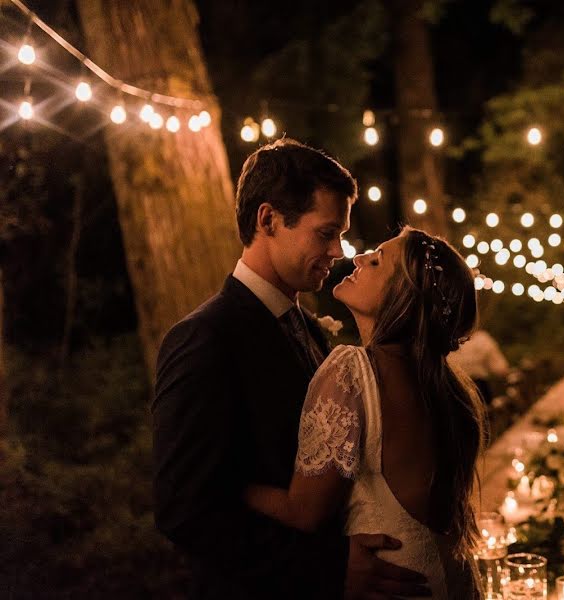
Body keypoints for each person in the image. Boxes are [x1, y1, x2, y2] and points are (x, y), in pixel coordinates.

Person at [153, 139, 429, 599]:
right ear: (268, 220)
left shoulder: (310, 329)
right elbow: (184, 511)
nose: (338, 251)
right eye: (326, 233)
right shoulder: (205, 339)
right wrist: (327, 568)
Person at [244, 227, 486, 599]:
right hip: (452, 582)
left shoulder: (352, 371)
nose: (357, 259)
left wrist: (231, 484)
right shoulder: (451, 389)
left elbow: (304, 510)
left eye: (376, 261)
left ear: (400, 296)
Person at [448, 328, 509, 404]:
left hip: (450, 392)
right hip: (479, 391)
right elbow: (501, 369)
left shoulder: (444, 341)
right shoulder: (482, 340)